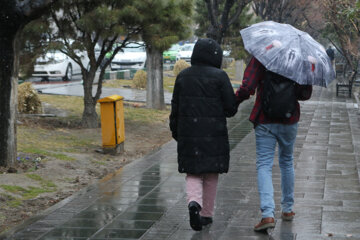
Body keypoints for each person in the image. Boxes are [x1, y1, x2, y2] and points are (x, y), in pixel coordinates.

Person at [235, 57, 312, 232]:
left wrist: (234, 102)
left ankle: (267, 214)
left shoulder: (262, 57)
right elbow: (305, 94)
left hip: (264, 118)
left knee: (264, 165)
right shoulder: (299, 59)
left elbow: (247, 87)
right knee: (286, 161)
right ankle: (288, 209)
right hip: (289, 118)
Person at [169, 38, 238, 231]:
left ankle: (193, 203)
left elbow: (176, 107)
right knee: (211, 173)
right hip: (213, 134)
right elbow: (230, 109)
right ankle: (206, 214)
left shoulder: (183, 76)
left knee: (193, 172)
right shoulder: (220, 77)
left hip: (188, 132)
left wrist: (176, 130)